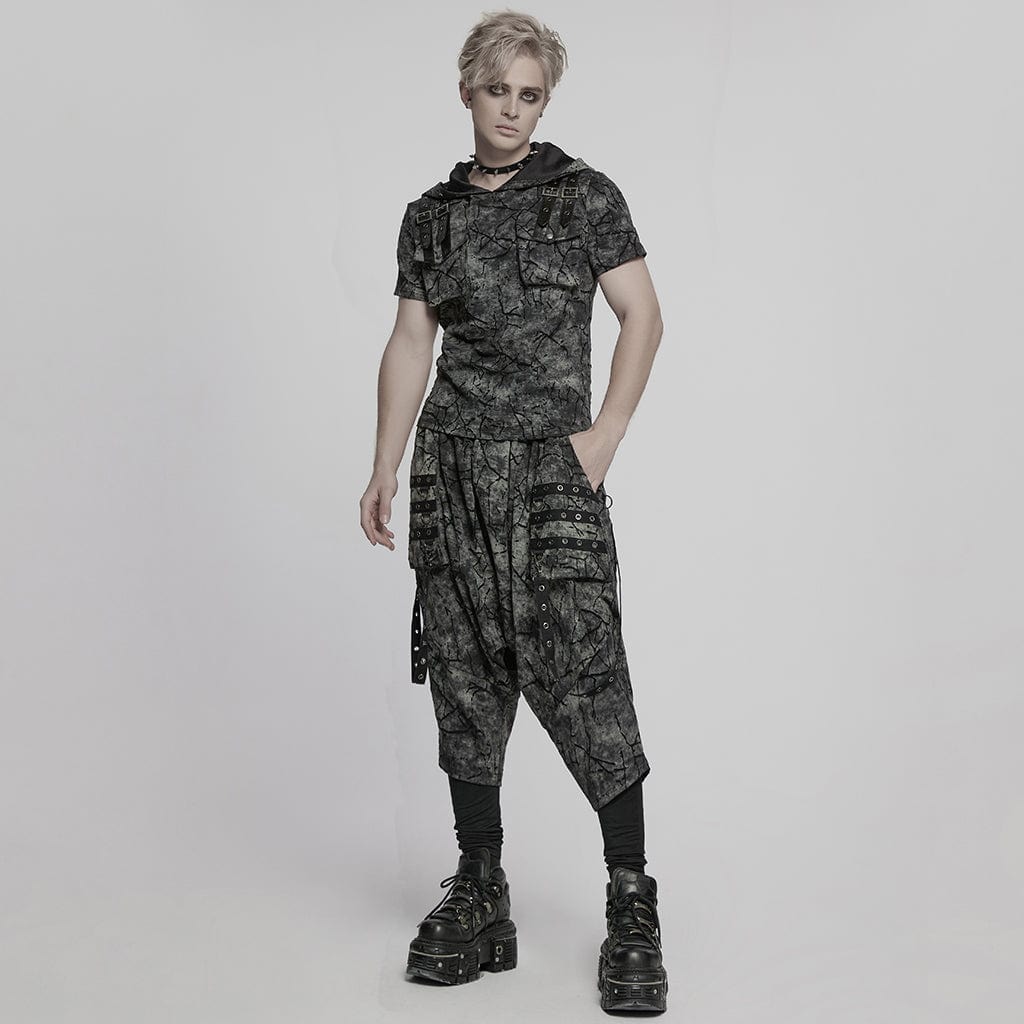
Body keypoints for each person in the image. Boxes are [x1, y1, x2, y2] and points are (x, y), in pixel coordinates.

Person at [359, 11, 667, 1013]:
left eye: (530, 95)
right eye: (498, 91)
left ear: (544, 103)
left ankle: (630, 896)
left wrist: (606, 433)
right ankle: (481, 882)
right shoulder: (431, 216)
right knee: (464, 676)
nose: (512, 110)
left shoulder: (585, 198)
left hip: (550, 473)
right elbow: (411, 342)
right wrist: (383, 464)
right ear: (468, 92)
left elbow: (642, 315)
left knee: (586, 672)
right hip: (451, 472)